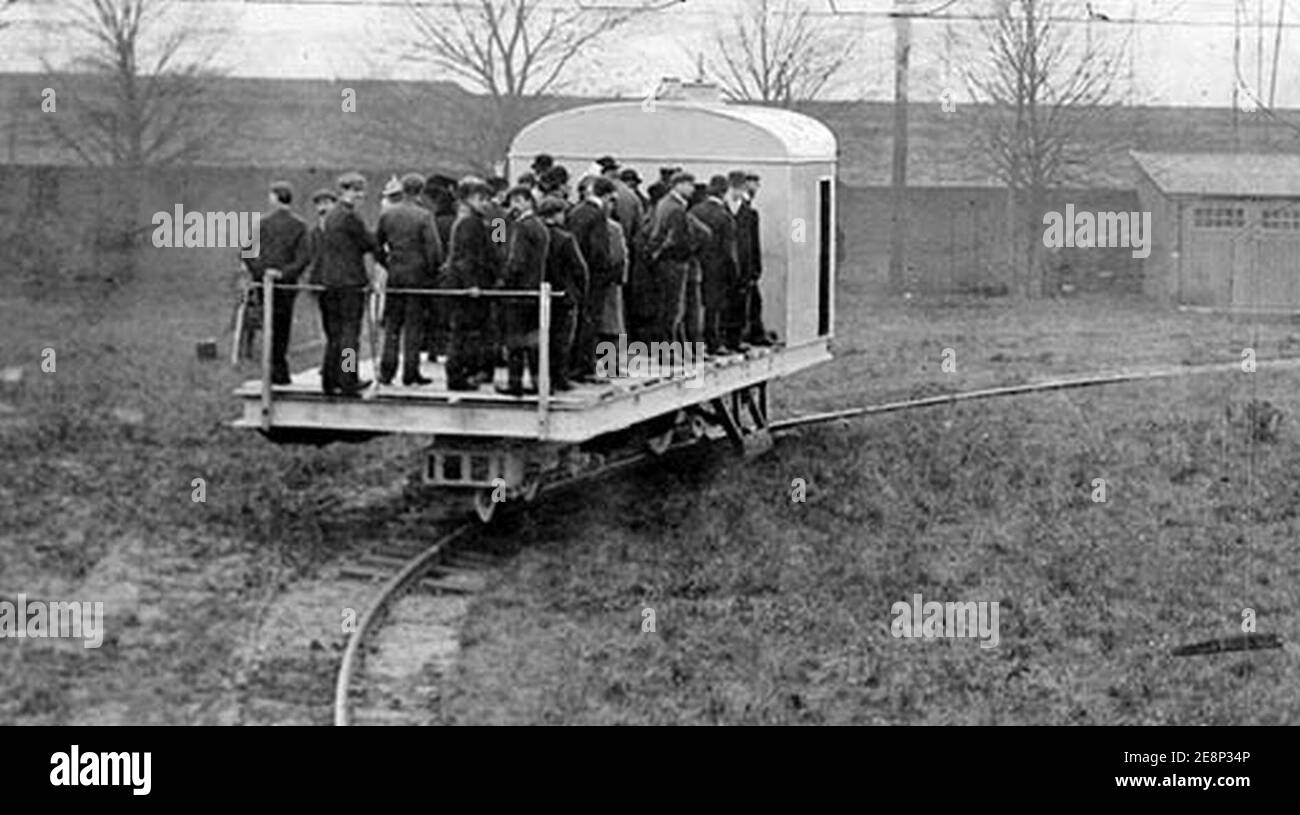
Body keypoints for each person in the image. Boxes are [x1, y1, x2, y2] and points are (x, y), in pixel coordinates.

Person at [316, 172, 382, 396]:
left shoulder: (331, 216)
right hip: (350, 283)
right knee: (349, 336)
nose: (360, 196)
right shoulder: (350, 216)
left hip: (330, 283)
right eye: (357, 191)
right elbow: (367, 242)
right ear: (346, 191)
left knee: (334, 335)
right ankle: (347, 379)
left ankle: (329, 379)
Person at [376, 175, 443, 386]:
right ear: (421, 191)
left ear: (402, 190)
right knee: (414, 326)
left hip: (395, 274)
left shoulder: (388, 215)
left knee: (392, 326)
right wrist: (432, 272)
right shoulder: (424, 216)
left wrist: (388, 263)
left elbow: (376, 244)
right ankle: (410, 372)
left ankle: (387, 371)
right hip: (417, 277)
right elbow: (434, 249)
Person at [244, 181, 311, 384]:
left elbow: (247, 252)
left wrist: (262, 273)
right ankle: (345, 372)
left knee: (269, 325)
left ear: (274, 199)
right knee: (283, 327)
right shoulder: (300, 226)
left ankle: (273, 370)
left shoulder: (262, 224)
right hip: (287, 286)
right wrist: (283, 274)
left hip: (265, 284)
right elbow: (303, 258)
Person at [442, 177, 500, 391]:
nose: (486, 203)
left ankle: (465, 373)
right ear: (467, 199)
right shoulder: (470, 223)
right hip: (469, 288)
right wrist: (471, 284)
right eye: (481, 198)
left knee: (469, 332)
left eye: (487, 199)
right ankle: (459, 375)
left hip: (470, 285)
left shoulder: (474, 221)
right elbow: (464, 257)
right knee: (465, 333)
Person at [498, 186, 550, 395]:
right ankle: (538, 383)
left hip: (518, 291)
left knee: (515, 342)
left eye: (516, 201)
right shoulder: (539, 226)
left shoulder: (518, 226)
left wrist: (504, 280)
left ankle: (515, 383)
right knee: (533, 342)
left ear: (527, 201)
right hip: (535, 288)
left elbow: (514, 259)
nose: (513, 207)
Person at [567, 176, 616, 381]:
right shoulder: (597, 216)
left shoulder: (576, 211)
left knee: (578, 321)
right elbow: (599, 250)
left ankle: (573, 364)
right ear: (605, 196)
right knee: (591, 321)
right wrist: (607, 271)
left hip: (576, 274)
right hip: (594, 277)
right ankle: (585, 366)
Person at [537, 197, 586, 392]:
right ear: (557, 214)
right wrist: (579, 293)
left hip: (540, 294)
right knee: (562, 340)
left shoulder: (536, 235)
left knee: (542, 339)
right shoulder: (565, 238)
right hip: (564, 296)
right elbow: (579, 269)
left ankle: (541, 378)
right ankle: (559, 378)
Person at [689, 175, 741, 355]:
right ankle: (713, 342)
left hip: (697, 264)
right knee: (714, 306)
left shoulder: (695, 211)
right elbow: (729, 250)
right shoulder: (725, 217)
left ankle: (695, 341)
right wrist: (734, 273)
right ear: (724, 192)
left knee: (695, 305)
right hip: (717, 268)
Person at [646, 171, 695, 346]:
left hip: (663, 261)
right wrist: (689, 250)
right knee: (673, 310)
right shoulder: (676, 207)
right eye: (690, 184)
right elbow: (675, 238)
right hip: (674, 262)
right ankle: (668, 351)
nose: (692, 188)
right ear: (678, 184)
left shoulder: (664, 203)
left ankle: (669, 348)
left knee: (667, 308)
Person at [739, 172, 775, 345]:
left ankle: (755, 332)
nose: (756, 188)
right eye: (754, 184)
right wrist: (753, 267)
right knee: (752, 302)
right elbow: (748, 243)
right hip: (745, 265)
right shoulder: (746, 211)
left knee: (752, 301)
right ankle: (754, 333)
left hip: (746, 264)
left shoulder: (746, 208)